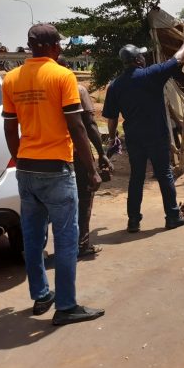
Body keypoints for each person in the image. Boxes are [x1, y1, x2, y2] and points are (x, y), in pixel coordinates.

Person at [1, 23, 104, 326]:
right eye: (59, 44)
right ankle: (67, 306)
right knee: (66, 238)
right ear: (52, 47)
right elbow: (77, 125)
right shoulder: (62, 76)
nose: (61, 49)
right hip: (57, 169)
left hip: (27, 169)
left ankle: (41, 295)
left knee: (33, 238)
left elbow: (9, 126)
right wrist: (93, 168)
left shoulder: (11, 78)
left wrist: (20, 159)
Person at [102, 35, 184, 233]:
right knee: (164, 174)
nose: (144, 58)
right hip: (156, 135)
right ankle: (172, 216)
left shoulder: (116, 86)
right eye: (142, 56)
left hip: (134, 138)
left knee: (136, 177)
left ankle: (133, 221)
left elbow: (111, 118)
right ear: (137, 60)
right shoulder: (150, 75)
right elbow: (177, 59)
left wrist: (112, 138)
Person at [57, 56, 113, 258]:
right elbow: (89, 125)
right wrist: (102, 153)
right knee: (84, 196)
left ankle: (62, 245)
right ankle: (82, 245)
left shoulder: (39, 88)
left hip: (47, 156)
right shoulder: (76, 88)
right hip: (76, 153)